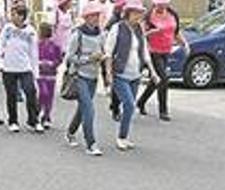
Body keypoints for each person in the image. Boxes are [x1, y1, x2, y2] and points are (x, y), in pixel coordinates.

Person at [104, 0, 156, 151]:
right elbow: (108, 52)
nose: (139, 15)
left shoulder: (139, 29)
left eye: (140, 13)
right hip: (120, 73)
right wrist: (108, 73)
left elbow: (145, 52)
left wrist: (153, 71)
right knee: (129, 104)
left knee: (129, 108)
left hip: (136, 74)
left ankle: (125, 137)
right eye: (136, 12)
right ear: (128, 13)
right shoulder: (117, 28)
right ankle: (121, 137)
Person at [65, 0, 105, 156]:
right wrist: (88, 59)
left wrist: (102, 57)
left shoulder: (100, 33)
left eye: (98, 15)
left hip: (93, 77)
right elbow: (69, 57)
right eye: (93, 15)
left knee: (82, 109)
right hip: (79, 76)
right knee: (89, 109)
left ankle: (70, 132)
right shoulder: (78, 34)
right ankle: (91, 143)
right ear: (86, 17)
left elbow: (103, 52)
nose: (96, 18)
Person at [136, 0, 186, 121]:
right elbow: (140, 35)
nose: (161, 6)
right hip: (153, 51)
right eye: (159, 4)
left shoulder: (172, 14)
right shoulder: (149, 16)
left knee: (156, 80)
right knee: (164, 78)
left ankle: (141, 102)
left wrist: (184, 43)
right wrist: (151, 32)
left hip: (166, 50)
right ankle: (163, 111)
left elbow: (176, 31)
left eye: (163, 4)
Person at [0, 3, 40, 133]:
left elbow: (34, 52)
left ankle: (33, 120)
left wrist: (35, 72)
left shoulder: (31, 31)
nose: (12, 17)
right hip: (9, 68)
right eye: (12, 14)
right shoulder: (7, 28)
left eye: (14, 14)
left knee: (30, 92)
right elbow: (1, 44)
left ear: (22, 16)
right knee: (11, 95)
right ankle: (13, 121)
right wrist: (1, 61)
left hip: (25, 67)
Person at [36, 21, 61, 129]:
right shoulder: (37, 45)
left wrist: (52, 64)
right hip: (40, 73)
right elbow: (33, 57)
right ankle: (38, 112)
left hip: (51, 73)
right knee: (43, 93)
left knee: (49, 96)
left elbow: (59, 58)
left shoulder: (54, 45)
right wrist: (39, 63)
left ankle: (46, 116)